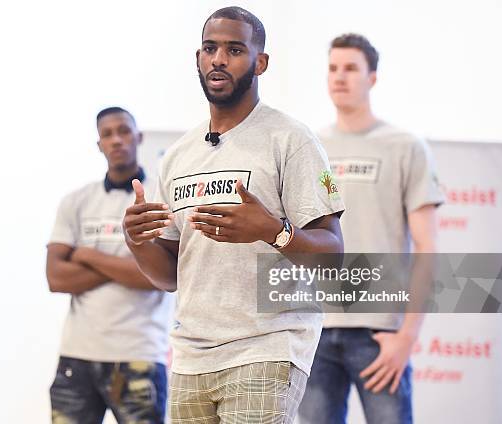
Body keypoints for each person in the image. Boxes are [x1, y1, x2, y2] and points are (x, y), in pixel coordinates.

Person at [122, 7, 344, 423]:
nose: (219, 59)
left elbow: (332, 256)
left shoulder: (291, 139)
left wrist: (273, 231)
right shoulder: (178, 156)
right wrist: (137, 241)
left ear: (260, 62)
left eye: (234, 49)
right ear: (198, 59)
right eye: (210, 48)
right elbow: (170, 275)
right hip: (190, 357)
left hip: (267, 347)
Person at [298, 34, 444, 424]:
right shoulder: (310, 147)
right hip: (314, 330)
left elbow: (428, 246)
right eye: (332, 68)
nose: (339, 77)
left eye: (350, 68)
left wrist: (407, 337)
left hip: (380, 335)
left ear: (372, 77)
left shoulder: (405, 146)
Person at [46, 106, 173, 424]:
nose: (116, 140)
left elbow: (157, 276)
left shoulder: (160, 198)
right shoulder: (76, 201)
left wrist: (87, 255)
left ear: (138, 137)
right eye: (107, 134)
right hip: (77, 357)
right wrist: (127, 265)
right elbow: (56, 277)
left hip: (139, 356)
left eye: (124, 131)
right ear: (99, 144)